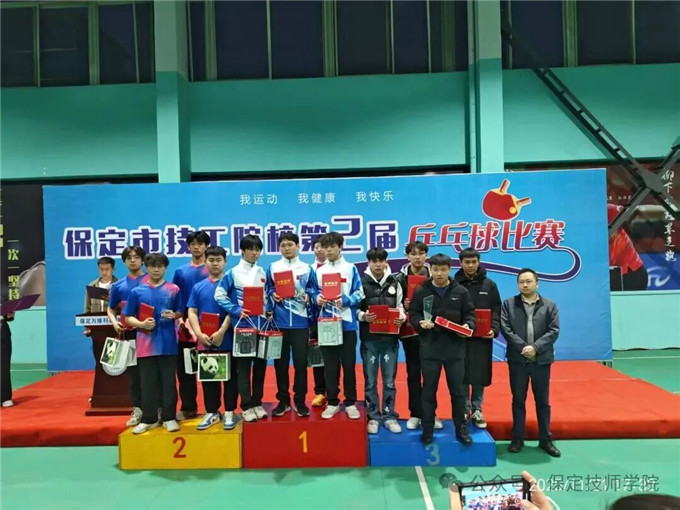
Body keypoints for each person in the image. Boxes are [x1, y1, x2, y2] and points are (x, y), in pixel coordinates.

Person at [409, 253, 476, 445]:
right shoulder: (422, 290)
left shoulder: (460, 291)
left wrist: (468, 326)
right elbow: (413, 313)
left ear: (450, 270)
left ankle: (461, 428)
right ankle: (427, 429)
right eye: (436, 269)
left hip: (455, 351)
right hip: (430, 349)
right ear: (431, 269)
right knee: (428, 391)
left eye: (443, 269)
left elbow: (470, 314)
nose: (439, 273)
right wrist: (419, 323)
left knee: (458, 392)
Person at [501, 268, 561, 457]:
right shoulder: (508, 304)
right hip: (517, 360)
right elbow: (505, 328)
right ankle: (517, 438)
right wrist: (523, 347)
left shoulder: (549, 305)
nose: (525, 285)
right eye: (521, 282)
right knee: (518, 400)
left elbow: (554, 330)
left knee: (542, 401)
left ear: (537, 283)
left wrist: (535, 347)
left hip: (541, 360)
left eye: (528, 281)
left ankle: (545, 439)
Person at [124, 253, 183, 434]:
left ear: (166, 268)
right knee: (147, 384)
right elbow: (127, 317)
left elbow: (180, 312)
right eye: (153, 266)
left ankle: (169, 417)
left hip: (168, 345)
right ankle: (148, 419)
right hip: (145, 346)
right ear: (146, 267)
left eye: (160, 266)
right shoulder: (137, 292)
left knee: (168, 383)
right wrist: (141, 324)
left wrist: (175, 315)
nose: (157, 269)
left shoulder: (174, 289)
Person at [215, 234, 270, 423]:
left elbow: (266, 297)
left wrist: (269, 308)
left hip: (262, 326)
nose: (255, 253)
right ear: (242, 251)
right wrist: (236, 310)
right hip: (243, 327)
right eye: (251, 249)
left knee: (261, 368)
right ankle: (246, 406)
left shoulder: (262, 272)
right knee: (244, 369)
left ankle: (257, 403)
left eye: (258, 250)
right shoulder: (233, 273)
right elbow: (219, 295)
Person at [394, 241, 445, 430]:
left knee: (431, 376)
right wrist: (404, 305)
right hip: (409, 331)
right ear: (407, 256)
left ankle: (431, 414)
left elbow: (444, 302)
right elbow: (394, 303)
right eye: (413, 253)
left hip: (432, 332)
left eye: (421, 253)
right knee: (413, 374)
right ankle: (415, 413)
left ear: (426, 256)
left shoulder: (435, 276)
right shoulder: (399, 278)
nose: (417, 257)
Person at [187, 246, 239, 431]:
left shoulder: (231, 286)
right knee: (209, 378)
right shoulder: (198, 287)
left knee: (230, 378)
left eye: (218, 260)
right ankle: (212, 412)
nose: (215, 264)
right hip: (205, 341)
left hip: (227, 339)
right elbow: (192, 312)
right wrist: (199, 334)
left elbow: (233, 310)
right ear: (205, 262)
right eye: (211, 260)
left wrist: (222, 332)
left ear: (225, 262)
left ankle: (230, 411)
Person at [314, 231, 363, 420]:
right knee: (330, 366)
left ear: (340, 247)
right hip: (326, 324)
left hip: (347, 324)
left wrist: (347, 300)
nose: (328, 250)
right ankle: (333, 402)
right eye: (325, 247)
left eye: (332, 247)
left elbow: (360, 293)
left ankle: (350, 402)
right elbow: (312, 292)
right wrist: (317, 298)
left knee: (349, 365)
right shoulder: (319, 271)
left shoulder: (351, 268)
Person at [266, 233, 317, 418]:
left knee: (301, 364)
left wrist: (309, 295)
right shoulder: (273, 267)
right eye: (283, 245)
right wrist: (272, 294)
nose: (286, 248)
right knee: (280, 365)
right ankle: (283, 401)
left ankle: (300, 401)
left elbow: (315, 290)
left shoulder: (307, 268)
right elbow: (268, 289)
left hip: (300, 323)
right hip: (279, 323)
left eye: (290, 244)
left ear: (298, 246)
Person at [357, 247, 405, 434]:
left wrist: (401, 317)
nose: (377, 265)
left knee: (389, 381)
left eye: (381, 261)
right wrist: (363, 316)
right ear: (369, 263)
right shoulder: (361, 282)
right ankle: (373, 416)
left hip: (390, 339)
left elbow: (400, 306)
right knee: (370, 381)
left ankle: (389, 415)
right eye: (374, 261)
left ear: (386, 262)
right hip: (369, 340)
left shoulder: (395, 281)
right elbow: (355, 308)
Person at [454, 247, 502, 429]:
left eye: (474, 262)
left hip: (482, 338)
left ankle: (477, 409)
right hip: (460, 337)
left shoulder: (489, 285)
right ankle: (465, 409)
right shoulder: (454, 284)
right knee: (461, 374)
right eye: (467, 262)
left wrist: (494, 329)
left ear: (478, 262)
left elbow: (496, 310)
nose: (470, 265)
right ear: (460, 263)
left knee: (479, 374)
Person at [106, 245, 148, 427]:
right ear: (124, 262)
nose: (133, 260)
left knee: (151, 373)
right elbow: (111, 308)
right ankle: (138, 409)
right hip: (130, 334)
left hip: (149, 334)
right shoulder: (119, 286)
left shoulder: (151, 281)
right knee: (134, 374)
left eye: (136, 257)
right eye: (129, 257)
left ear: (143, 260)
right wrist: (115, 323)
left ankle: (157, 409)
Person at [172, 230, 210, 422]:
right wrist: (180, 321)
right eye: (193, 243)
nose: (197, 247)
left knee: (211, 367)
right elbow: (176, 298)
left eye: (200, 243)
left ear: (206, 246)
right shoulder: (181, 272)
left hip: (210, 324)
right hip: (186, 326)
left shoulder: (212, 269)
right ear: (188, 246)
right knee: (186, 369)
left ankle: (213, 409)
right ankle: (188, 407)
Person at [309, 236, 327, 408]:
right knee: (317, 357)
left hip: (335, 319)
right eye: (316, 246)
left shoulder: (336, 268)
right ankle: (320, 392)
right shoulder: (308, 270)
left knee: (334, 357)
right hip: (314, 319)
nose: (320, 249)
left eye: (322, 246)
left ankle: (334, 392)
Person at [1, 311, 15, 407]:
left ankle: (5, 397)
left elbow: (7, 316)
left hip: (3, 334)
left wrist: (9, 315)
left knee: (4, 366)